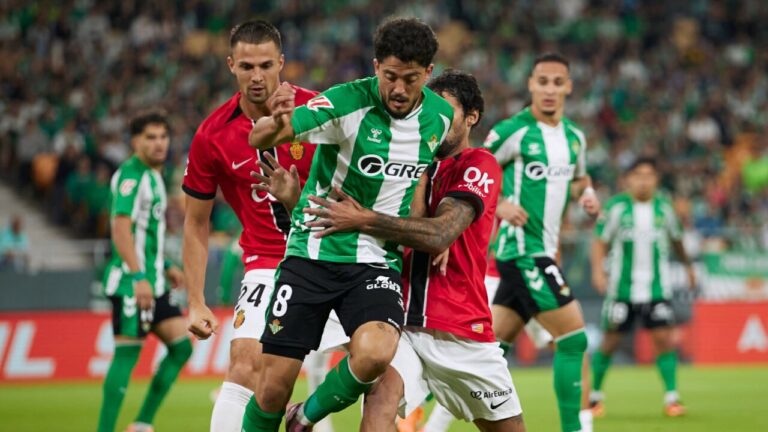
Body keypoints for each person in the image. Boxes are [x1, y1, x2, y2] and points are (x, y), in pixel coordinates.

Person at [244, 17, 453, 432]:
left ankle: (305, 416)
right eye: (390, 76)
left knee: (376, 352)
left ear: (428, 73)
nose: (398, 88)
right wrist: (278, 121)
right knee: (271, 389)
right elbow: (260, 137)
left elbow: (418, 177)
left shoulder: (440, 116)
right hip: (311, 253)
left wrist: (429, 228)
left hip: (375, 262)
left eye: (410, 79)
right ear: (376, 66)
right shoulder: (346, 102)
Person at [296, 69, 525, 431]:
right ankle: (304, 416)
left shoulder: (479, 164)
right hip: (399, 320)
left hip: (460, 327)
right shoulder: (406, 167)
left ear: (472, 117)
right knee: (380, 403)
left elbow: (438, 234)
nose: (436, 120)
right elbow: (408, 227)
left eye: (447, 112)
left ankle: (303, 413)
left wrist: (375, 221)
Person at [180, 21, 330, 432]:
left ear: (282, 62)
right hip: (268, 262)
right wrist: (196, 300)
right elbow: (195, 222)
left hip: (334, 252)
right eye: (247, 66)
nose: (257, 76)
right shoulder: (212, 135)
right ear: (231, 65)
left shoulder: (319, 112)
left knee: (380, 366)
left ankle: (308, 413)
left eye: (266, 65)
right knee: (245, 363)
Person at [482, 53, 601, 432]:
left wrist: (587, 195)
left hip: (543, 251)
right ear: (531, 84)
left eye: (557, 82)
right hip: (522, 251)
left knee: (488, 352)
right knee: (573, 339)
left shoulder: (574, 138)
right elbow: (471, 171)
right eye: (543, 81)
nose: (550, 89)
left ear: (568, 87)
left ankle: (417, 405)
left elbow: (578, 179)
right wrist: (500, 203)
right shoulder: (512, 131)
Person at [97, 110, 192, 432]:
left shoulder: (153, 176)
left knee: (181, 347)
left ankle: (141, 424)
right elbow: (121, 229)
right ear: (135, 141)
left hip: (154, 281)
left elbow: (144, 235)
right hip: (131, 283)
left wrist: (163, 266)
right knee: (126, 357)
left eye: (163, 136)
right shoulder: (132, 176)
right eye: (150, 137)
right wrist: (139, 276)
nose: (159, 143)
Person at [589, 157, 695, 417]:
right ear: (629, 179)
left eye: (649, 176)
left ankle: (672, 398)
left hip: (656, 288)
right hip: (621, 289)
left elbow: (677, 240)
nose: (643, 181)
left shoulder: (665, 209)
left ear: (656, 180)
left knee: (664, 340)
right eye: (638, 175)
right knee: (610, 341)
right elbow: (600, 240)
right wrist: (598, 271)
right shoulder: (616, 207)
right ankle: (595, 397)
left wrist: (688, 267)